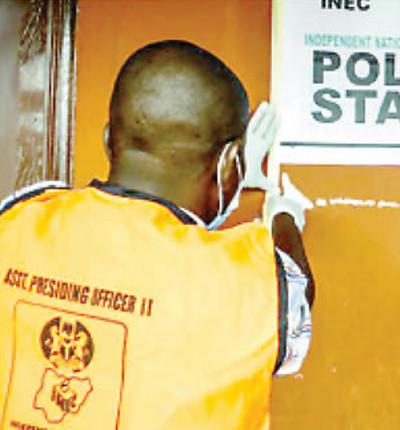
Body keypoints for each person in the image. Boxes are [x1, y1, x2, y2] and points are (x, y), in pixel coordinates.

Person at [0, 40, 313, 430]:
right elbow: (293, 287)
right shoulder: (247, 284)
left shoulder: (17, 221)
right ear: (230, 162)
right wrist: (283, 217)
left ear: (108, 139)